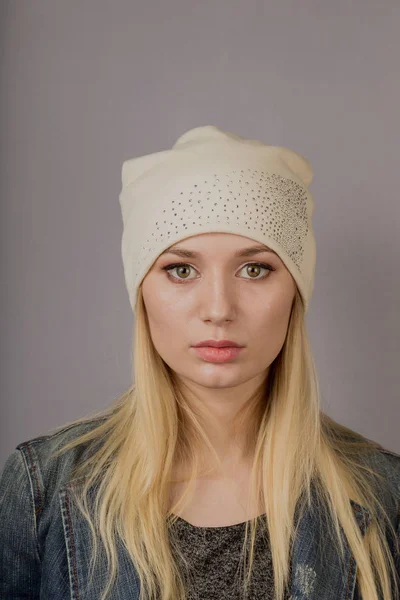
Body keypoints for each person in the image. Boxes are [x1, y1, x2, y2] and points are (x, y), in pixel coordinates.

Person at [0, 125, 399, 600]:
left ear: (296, 291)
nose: (218, 308)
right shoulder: (41, 487)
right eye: (181, 270)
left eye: (255, 269)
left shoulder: (383, 491)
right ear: (141, 292)